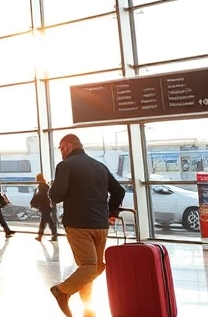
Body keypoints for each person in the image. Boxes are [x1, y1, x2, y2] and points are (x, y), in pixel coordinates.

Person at [48, 134, 125, 317]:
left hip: (78, 223)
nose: (60, 153)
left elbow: (56, 196)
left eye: (60, 148)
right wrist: (112, 213)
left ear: (67, 146)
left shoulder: (65, 165)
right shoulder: (99, 166)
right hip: (100, 224)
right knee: (94, 267)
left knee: (90, 266)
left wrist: (52, 188)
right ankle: (88, 308)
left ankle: (61, 291)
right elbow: (119, 191)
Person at [32, 172, 58, 242]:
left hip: (44, 205)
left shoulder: (41, 186)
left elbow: (40, 196)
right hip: (47, 205)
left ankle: (54, 233)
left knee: (48, 219)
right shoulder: (45, 185)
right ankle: (40, 235)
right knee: (43, 221)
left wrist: (34, 202)